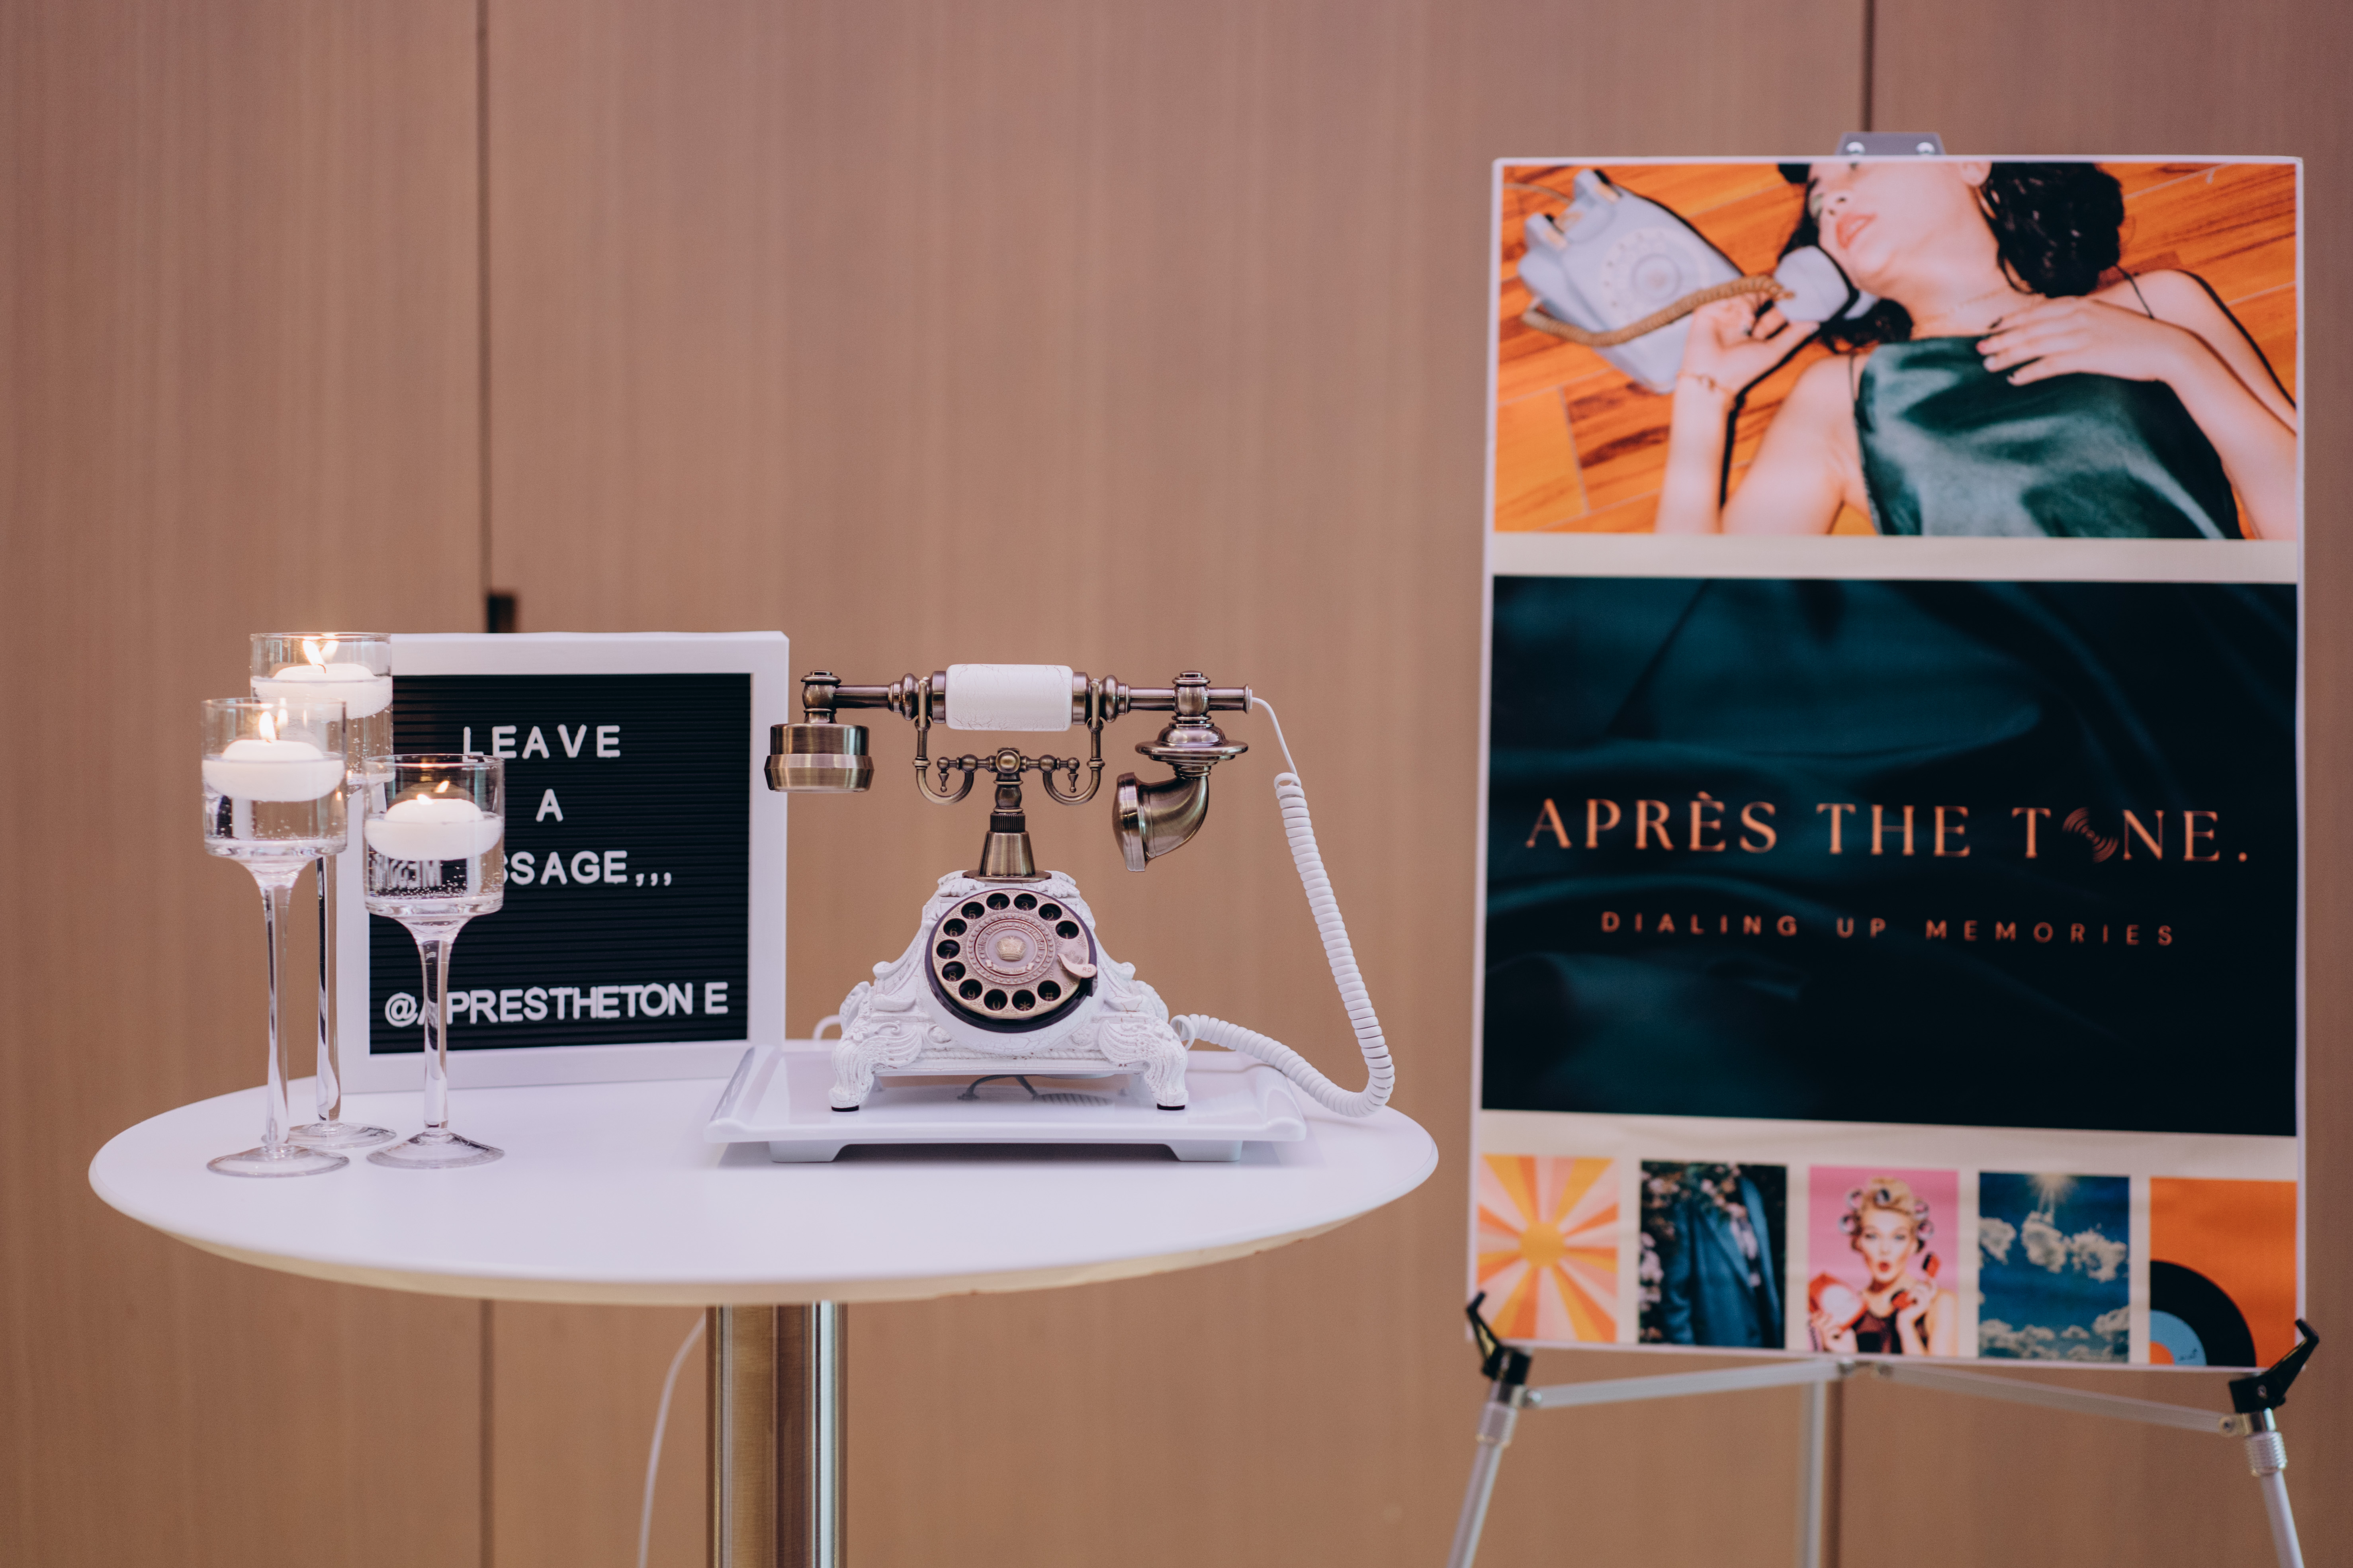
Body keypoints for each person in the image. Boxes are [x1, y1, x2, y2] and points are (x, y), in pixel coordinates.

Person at [1653, 160, 2298, 539]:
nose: (1834, 200)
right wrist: (1704, 396)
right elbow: (1700, 635)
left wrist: (2180, 361)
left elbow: (2312, 538)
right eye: (1819, 202)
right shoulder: (1840, 397)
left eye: (1855, 162)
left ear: (1968, 160)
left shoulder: (2160, 307)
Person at [1810, 1177, 1956, 1356]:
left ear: (1914, 1244)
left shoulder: (1942, 1303)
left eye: (1898, 1237)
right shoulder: (1847, 1310)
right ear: (1858, 1242)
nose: (1885, 1249)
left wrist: (1906, 1326)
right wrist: (1841, 1356)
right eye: (1872, 1236)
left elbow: (1938, 1375)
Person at [1653, 1164, 1783, 1348]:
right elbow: (1675, 1293)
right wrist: (1687, 1355)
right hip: (1717, 1342)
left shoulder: (1749, 1190)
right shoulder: (1689, 1197)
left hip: (1765, 1338)